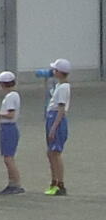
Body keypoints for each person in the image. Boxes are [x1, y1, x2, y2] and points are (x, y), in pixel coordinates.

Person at [0, 71, 24, 195]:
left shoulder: (10, 97)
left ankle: (15, 183)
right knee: (8, 157)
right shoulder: (14, 95)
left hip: (8, 128)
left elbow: (10, 114)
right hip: (8, 128)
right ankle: (12, 182)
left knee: (8, 158)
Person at [44, 58, 71, 196]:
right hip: (51, 117)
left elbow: (61, 109)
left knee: (55, 152)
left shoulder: (64, 88)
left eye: (55, 70)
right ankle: (54, 181)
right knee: (50, 153)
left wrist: (54, 127)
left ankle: (60, 183)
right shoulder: (59, 86)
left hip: (56, 119)